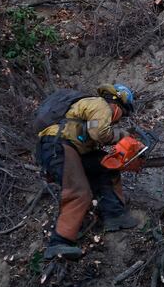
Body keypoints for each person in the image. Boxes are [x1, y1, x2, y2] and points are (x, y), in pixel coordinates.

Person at [36, 84, 140, 261]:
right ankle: (59, 243)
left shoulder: (91, 110)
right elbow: (100, 133)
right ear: (118, 104)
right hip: (60, 146)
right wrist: (122, 135)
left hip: (70, 148)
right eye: (123, 113)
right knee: (79, 192)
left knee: (106, 166)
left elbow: (92, 134)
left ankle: (114, 214)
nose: (119, 120)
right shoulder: (101, 105)